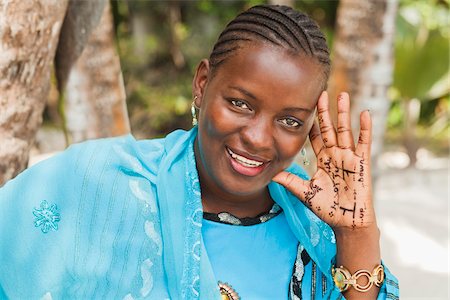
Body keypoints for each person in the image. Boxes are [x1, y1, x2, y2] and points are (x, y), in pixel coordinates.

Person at [0, 4, 399, 300]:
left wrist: (355, 234)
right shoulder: (97, 182)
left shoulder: (314, 235)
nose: (259, 139)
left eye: (290, 121)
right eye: (241, 104)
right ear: (202, 83)